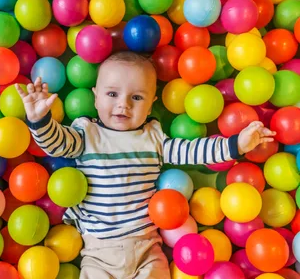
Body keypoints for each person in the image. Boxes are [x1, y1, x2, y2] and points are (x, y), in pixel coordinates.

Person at [16, 51, 276, 279]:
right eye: (112, 94)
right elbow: (57, 144)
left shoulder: (153, 139)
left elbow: (192, 151)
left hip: (146, 249)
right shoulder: (87, 134)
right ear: (95, 98)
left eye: (137, 98)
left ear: (151, 103)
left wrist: (236, 145)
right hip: (98, 252)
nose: (123, 104)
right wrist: (39, 119)